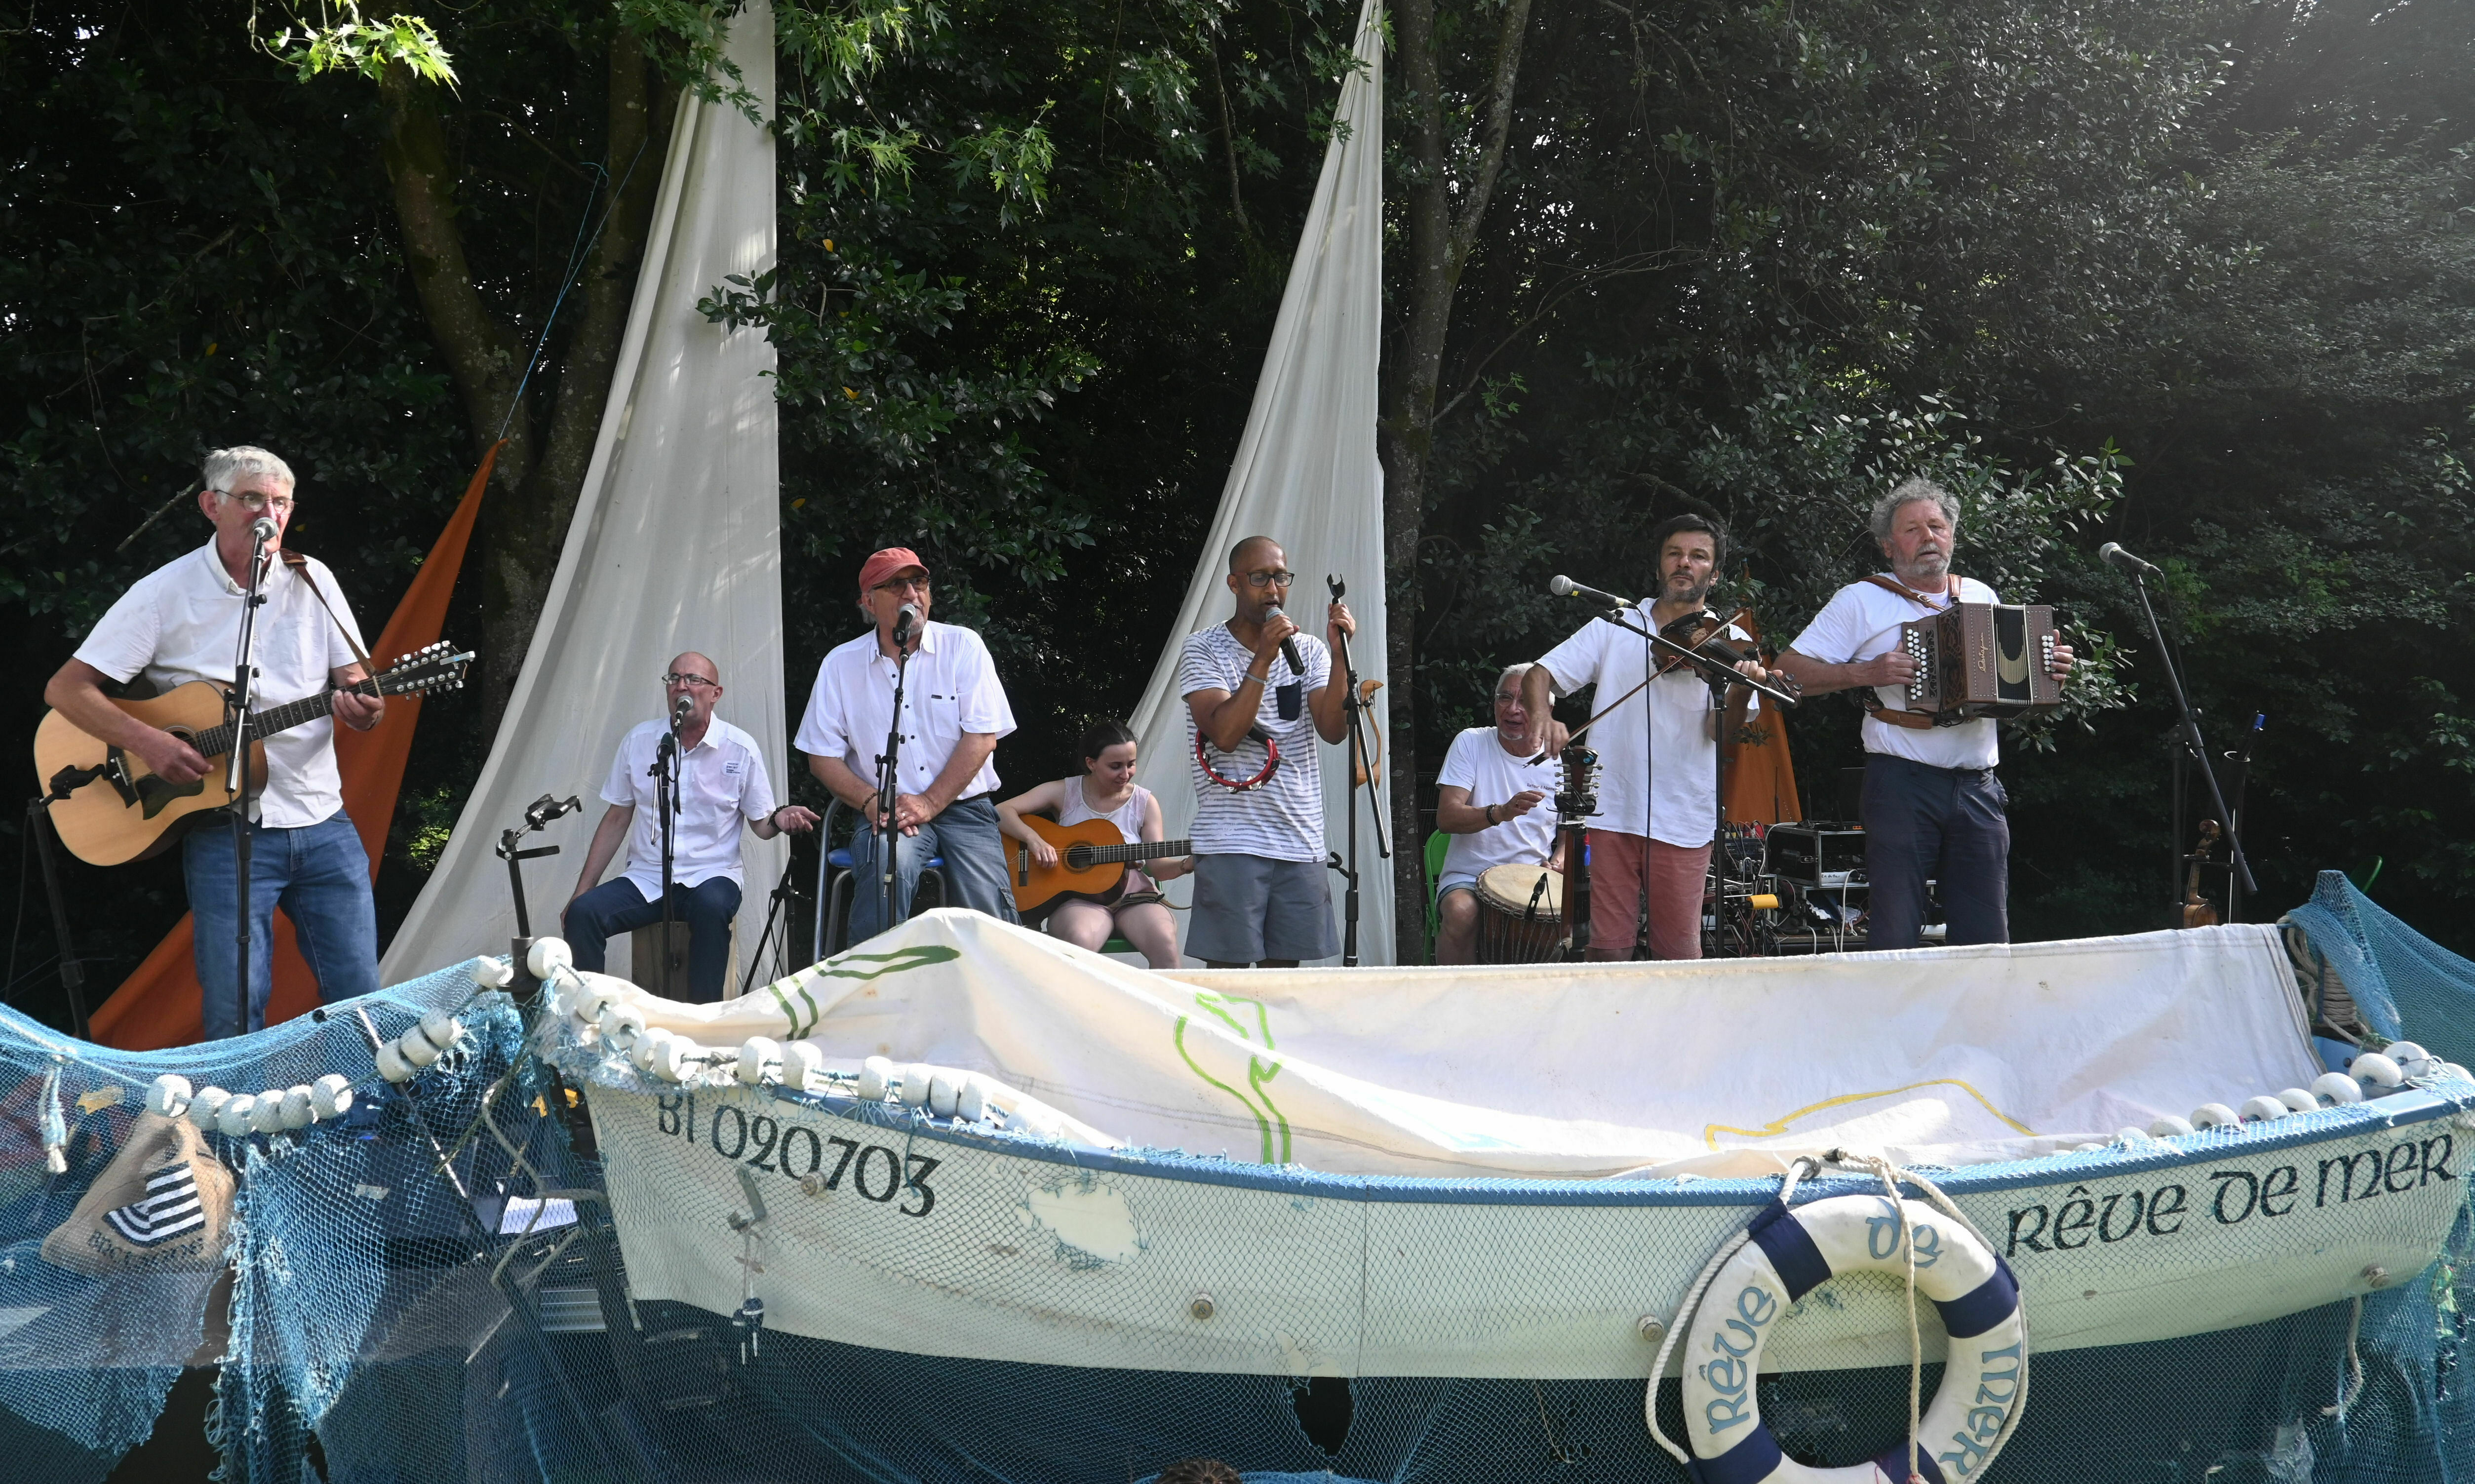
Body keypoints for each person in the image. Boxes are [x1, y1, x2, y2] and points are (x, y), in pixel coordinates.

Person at [42, 446, 384, 1039]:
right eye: (252, 499)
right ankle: (240, 1132)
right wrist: (148, 742)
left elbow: (356, 683)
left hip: (323, 820)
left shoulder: (314, 579)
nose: (268, 514)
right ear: (212, 505)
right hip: (223, 829)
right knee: (234, 1009)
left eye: (280, 502)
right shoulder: (163, 592)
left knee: (362, 999)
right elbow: (67, 690)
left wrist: (365, 708)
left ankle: (372, 1128)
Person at [1774, 477, 2075, 950]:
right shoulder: (1860, 600)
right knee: (1895, 932)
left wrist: (2047, 673)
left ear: (1952, 535)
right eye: (1912, 529)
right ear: (1888, 546)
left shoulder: (1981, 595)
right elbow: (1785, 672)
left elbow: (2009, 697)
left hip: (1979, 786)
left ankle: (1977, 1024)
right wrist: (1865, 673)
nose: (1928, 537)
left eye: (1936, 526)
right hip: (1901, 783)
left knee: (1987, 938)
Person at [1519, 512, 1769, 960]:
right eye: (1674, 554)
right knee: (1606, 951)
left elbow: (1719, 732)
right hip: (1612, 810)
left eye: (1697, 557)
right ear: (1659, 566)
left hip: (1683, 818)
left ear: (1714, 575)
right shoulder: (1617, 624)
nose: (1683, 563)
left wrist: (1738, 690)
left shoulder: (1730, 642)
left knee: (1678, 955)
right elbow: (1541, 674)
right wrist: (1543, 715)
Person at [563, 653, 816, 1001]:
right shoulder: (641, 741)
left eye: (694, 679)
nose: (682, 685)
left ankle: (703, 1024)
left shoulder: (740, 748)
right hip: (648, 877)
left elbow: (761, 823)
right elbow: (617, 818)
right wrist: (583, 890)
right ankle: (590, 1022)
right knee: (583, 913)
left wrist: (781, 818)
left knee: (712, 909)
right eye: (674, 678)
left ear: (716, 693)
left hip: (712, 874)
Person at [796, 547, 1019, 941]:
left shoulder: (963, 646)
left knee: (989, 912)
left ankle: (991, 997)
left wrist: (930, 803)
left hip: (965, 808)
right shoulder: (840, 663)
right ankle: (870, 987)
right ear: (868, 601)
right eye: (896, 585)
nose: (912, 594)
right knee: (887, 866)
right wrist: (871, 801)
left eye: (919, 582)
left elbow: (983, 737)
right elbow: (821, 755)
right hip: (885, 811)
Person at [1179, 536, 1357, 968]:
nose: (1273, 589)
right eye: (1260, 578)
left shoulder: (1311, 650)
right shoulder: (1202, 648)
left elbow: (1333, 731)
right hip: (1232, 841)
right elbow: (1224, 733)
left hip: (1300, 839)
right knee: (1230, 983)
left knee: (1285, 985)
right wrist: (1261, 658)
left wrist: (1337, 657)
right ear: (1234, 584)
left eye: (1281, 577)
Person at [996, 720, 1190, 968]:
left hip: (1134, 896)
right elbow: (1002, 811)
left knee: (1164, 941)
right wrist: (1034, 840)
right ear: (1091, 763)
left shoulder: (1145, 802)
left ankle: (1166, 1007)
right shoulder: (1065, 792)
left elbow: (1159, 867)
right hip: (1078, 899)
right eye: (1115, 766)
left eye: (1131, 764)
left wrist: (1186, 864)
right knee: (1080, 940)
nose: (1126, 774)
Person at [1433, 665, 1566, 965]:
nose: (1514, 709)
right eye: (1505, 698)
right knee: (1461, 912)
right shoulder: (1471, 742)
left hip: (1535, 879)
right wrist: (1500, 813)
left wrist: (1558, 861)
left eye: (1527, 701)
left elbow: (1572, 832)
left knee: (1581, 922)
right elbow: (1447, 817)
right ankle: (1456, 1002)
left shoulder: (1562, 760)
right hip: (1469, 875)